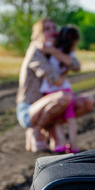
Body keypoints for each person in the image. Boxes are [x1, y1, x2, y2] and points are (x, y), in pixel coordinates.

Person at [16, 18, 94, 152]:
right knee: (63, 97)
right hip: (28, 109)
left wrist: (54, 51)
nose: (52, 31)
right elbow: (57, 80)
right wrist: (64, 65)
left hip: (50, 103)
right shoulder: (35, 52)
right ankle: (36, 129)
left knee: (88, 101)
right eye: (46, 28)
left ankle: (50, 132)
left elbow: (76, 66)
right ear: (37, 35)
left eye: (54, 27)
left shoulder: (54, 49)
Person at [39, 25, 80, 153]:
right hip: (65, 89)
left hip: (50, 89)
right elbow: (72, 67)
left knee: (56, 119)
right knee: (70, 118)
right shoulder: (69, 54)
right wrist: (64, 75)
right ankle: (73, 144)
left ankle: (61, 143)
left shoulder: (50, 50)